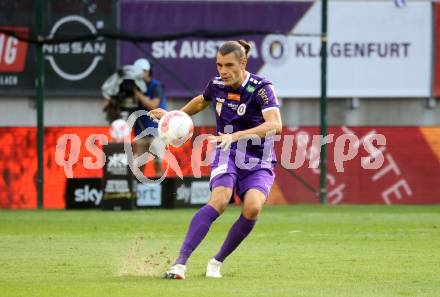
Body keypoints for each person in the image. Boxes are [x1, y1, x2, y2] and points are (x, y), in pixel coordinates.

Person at [148, 40, 282, 279]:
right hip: (225, 150)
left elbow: (275, 125)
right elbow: (202, 101)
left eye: (229, 65)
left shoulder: (262, 88)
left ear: (243, 62)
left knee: (252, 209)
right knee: (219, 200)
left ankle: (216, 262)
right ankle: (179, 264)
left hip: (258, 159)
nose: (223, 71)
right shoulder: (217, 85)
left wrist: (239, 135)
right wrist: (173, 116)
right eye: (219, 65)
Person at [102, 58, 167, 177]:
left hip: (156, 130)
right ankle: (138, 188)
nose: (140, 74)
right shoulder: (134, 86)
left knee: (157, 161)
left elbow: (153, 105)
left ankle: (161, 189)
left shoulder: (156, 86)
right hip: (140, 131)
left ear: (148, 71)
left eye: (143, 71)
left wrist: (136, 92)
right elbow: (111, 104)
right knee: (140, 165)